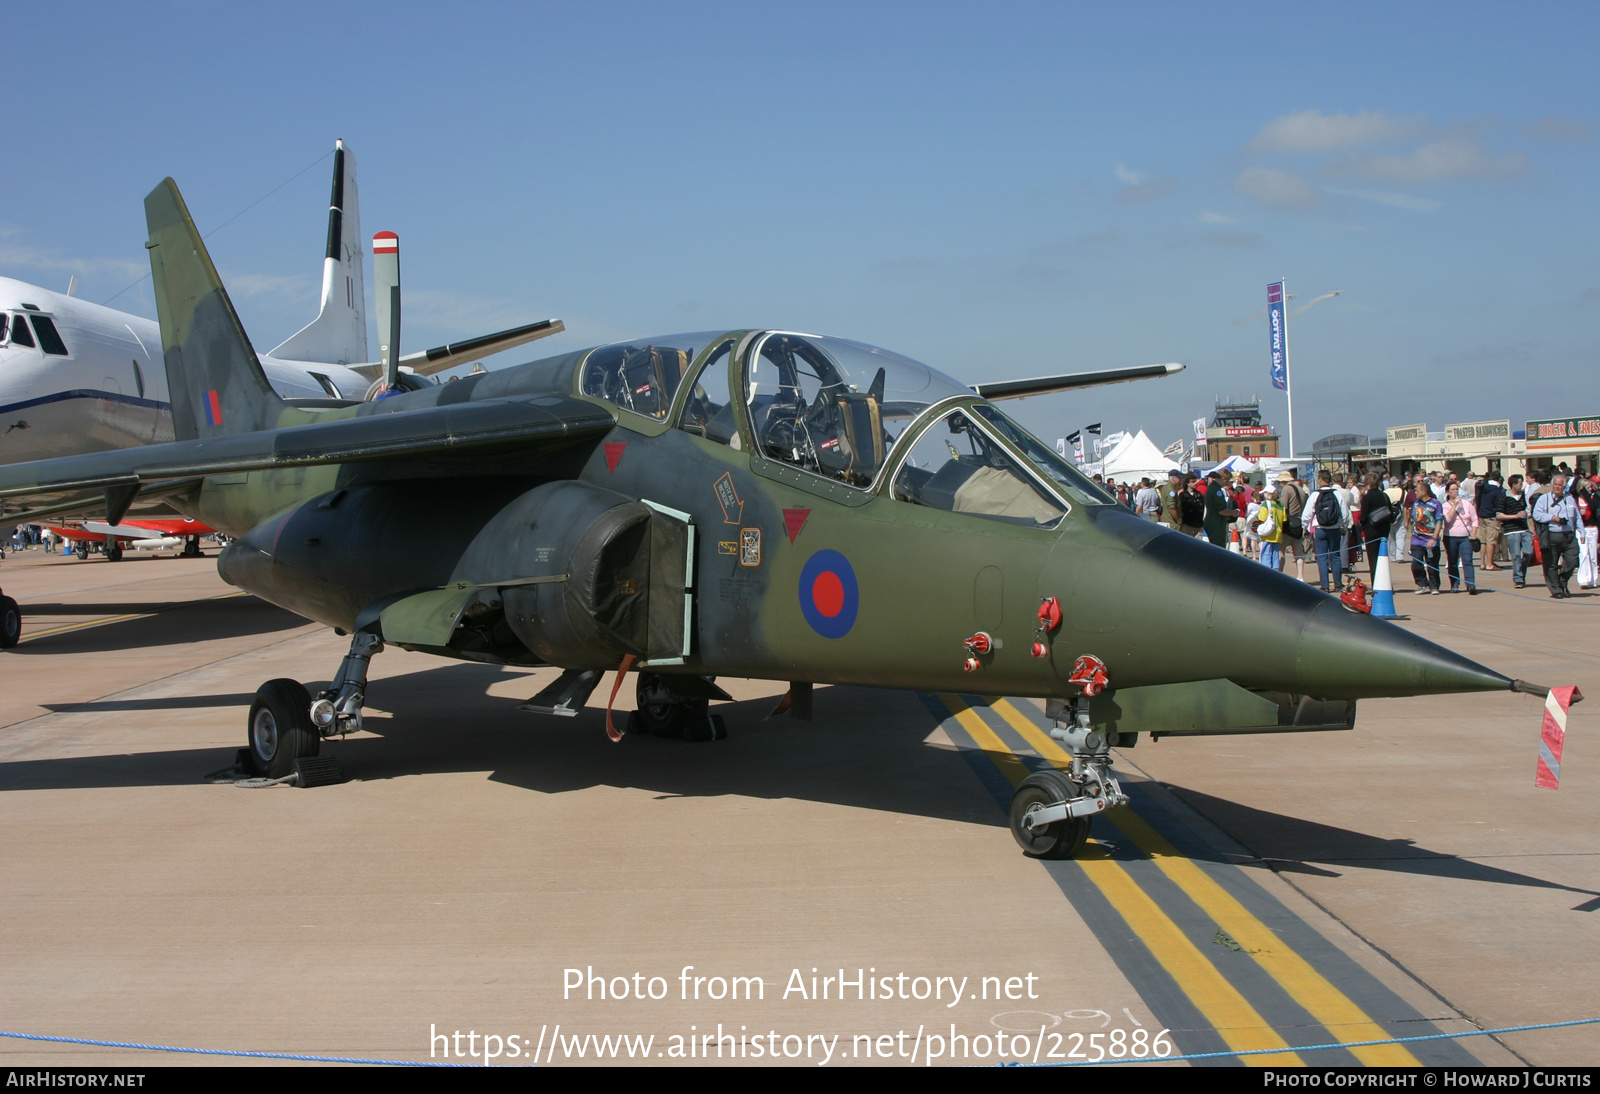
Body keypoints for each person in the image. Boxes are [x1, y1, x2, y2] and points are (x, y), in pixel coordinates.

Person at [1533, 474, 1581, 598]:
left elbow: (1577, 516)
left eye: (1560, 485)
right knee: (1551, 564)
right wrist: (1552, 517)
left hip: (1568, 535)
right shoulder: (1545, 498)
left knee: (1573, 560)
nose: (1557, 487)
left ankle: (1562, 580)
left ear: (1564, 486)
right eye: (1555, 484)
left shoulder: (1569, 499)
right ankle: (1555, 589)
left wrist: (1582, 531)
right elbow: (1536, 514)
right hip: (1552, 534)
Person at [1310, 470, 1350, 591]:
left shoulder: (1315, 495)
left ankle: (1325, 585)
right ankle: (1338, 584)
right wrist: (1343, 526)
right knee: (1335, 556)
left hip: (1320, 528)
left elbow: (1307, 514)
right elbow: (1345, 514)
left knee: (1322, 558)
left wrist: (1305, 527)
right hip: (1334, 528)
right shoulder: (1337, 494)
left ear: (1321, 480)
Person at [1441, 482, 1479, 594]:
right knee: (1452, 561)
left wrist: (1474, 533)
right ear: (1448, 492)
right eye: (1452, 489)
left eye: (1456, 489)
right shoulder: (1445, 505)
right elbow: (1447, 520)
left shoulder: (1467, 504)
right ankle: (1455, 583)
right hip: (1450, 537)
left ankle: (1471, 584)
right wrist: (1454, 505)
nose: (1455, 491)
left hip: (1465, 537)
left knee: (1467, 560)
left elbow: (1475, 519)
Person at [1359, 473, 1394, 582]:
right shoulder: (1384, 495)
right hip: (1384, 528)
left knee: (1373, 558)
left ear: (1368, 484)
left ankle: (1376, 582)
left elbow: (1363, 516)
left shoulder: (1367, 497)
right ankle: (1385, 581)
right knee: (1383, 557)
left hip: (1371, 529)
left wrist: (1361, 522)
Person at [1498, 474, 1532, 589]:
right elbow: (1499, 515)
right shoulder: (1504, 497)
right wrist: (1515, 516)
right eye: (1520, 483)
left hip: (1524, 528)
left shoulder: (1523, 496)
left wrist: (1531, 528)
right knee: (1516, 555)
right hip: (1511, 530)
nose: (1521, 485)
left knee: (1528, 552)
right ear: (1513, 484)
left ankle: (1521, 572)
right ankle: (1518, 578)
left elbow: (1527, 512)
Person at [1410, 482, 1444, 594]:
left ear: (1424, 492)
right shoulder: (1416, 503)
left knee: (1432, 564)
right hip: (1417, 538)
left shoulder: (1436, 504)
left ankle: (1434, 586)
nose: (1415, 492)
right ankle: (1422, 583)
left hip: (1430, 538)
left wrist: (1434, 538)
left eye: (1417, 490)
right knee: (1416, 563)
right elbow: (1414, 519)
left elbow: (1439, 522)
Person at [1275, 470, 1309, 581]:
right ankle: (1301, 576)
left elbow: (1283, 506)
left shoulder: (1286, 489)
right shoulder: (1300, 489)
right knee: (1298, 552)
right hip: (1299, 521)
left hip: (1288, 522)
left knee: (1281, 550)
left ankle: (1279, 574)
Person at [1476, 471, 1505, 571]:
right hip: (1492, 517)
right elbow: (1499, 505)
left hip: (1482, 515)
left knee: (1483, 541)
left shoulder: (1482, 487)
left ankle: (1483, 563)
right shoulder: (1497, 491)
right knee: (1491, 541)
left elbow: (1477, 500)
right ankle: (1490, 564)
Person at [1202, 470, 1238, 548]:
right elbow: (1221, 511)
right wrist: (1233, 512)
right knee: (1218, 547)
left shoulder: (1213, 487)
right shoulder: (1216, 490)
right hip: (1216, 523)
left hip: (1213, 521)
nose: (1227, 483)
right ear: (1223, 478)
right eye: (1227, 480)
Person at [1255, 484, 1286, 571]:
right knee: (1275, 556)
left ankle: (1266, 573)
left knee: (1266, 555)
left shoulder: (1266, 504)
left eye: (1264, 493)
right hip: (1278, 534)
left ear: (1268, 494)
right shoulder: (1281, 505)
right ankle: (1275, 572)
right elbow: (1284, 519)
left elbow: (1262, 517)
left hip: (1268, 534)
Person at [1577, 477, 1599, 589]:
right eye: (1587, 487)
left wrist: (1587, 494)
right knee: (1584, 553)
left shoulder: (1594, 497)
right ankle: (1583, 580)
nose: (1590, 489)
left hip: (1593, 528)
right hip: (1581, 529)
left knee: (1593, 555)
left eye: (1590, 487)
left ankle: (1593, 579)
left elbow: (1594, 506)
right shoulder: (1576, 499)